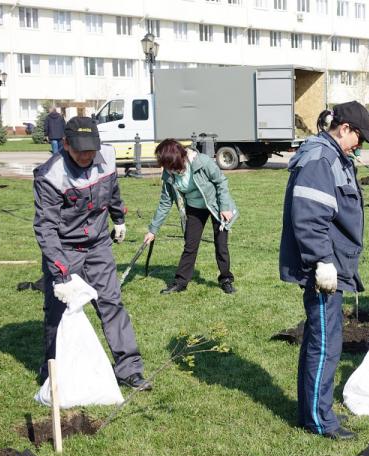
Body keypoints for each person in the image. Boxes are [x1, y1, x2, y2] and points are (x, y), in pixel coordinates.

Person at [279, 101, 369, 440]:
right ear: (345, 128)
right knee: (325, 343)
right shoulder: (321, 159)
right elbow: (308, 216)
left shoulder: (334, 156)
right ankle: (320, 420)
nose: (360, 145)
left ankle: (311, 412)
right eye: (359, 137)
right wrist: (322, 261)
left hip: (332, 265)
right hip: (324, 271)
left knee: (325, 339)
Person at [33, 116, 151, 390]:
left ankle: (128, 369)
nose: (87, 156)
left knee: (111, 303)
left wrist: (118, 217)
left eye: (91, 149)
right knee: (58, 312)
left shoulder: (107, 157)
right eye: (79, 150)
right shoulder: (50, 175)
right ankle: (54, 370)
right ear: (65, 144)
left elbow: (113, 192)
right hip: (64, 249)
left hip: (98, 245)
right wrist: (61, 274)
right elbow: (46, 228)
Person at [144, 139, 238, 295]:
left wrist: (225, 207)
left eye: (172, 166)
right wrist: (152, 230)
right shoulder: (168, 173)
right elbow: (165, 203)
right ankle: (180, 282)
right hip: (194, 208)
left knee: (221, 245)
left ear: (180, 157)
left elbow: (221, 182)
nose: (170, 170)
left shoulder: (202, 162)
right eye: (167, 167)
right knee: (190, 246)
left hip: (216, 206)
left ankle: (226, 279)